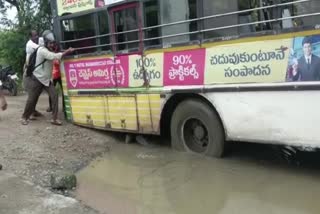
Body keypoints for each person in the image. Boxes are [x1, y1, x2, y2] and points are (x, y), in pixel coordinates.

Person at [21, 30, 74, 126]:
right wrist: (67, 51)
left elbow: (55, 52)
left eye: (52, 43)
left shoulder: (48, 48)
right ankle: (24, 117)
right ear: (45, 43)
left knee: (54, 95)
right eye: (50, 43)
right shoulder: (42, 50)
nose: (51, 45)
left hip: (46, 79)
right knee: (32, 99)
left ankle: (54, 118)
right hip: (37, 78)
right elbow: (54, 56)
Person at [23, 30, 42, 118]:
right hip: (29, 71)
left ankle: (33, 110)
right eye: (34, 36)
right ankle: (28, 113)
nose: (37, 37)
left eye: (37, 35)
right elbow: (40, 48)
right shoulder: (30, 44)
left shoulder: (37, 41)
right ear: (31, 37)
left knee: (36, 92)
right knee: (32, 93)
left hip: (35, 71)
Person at [47, 43, 65, 115]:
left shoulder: (54, 54)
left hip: (58, 74)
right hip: (55, 75)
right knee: (52, 92)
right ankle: (52, 107)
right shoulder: (54, 54)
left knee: (54, 92)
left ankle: (52, 107)